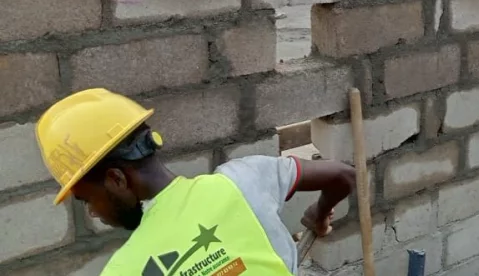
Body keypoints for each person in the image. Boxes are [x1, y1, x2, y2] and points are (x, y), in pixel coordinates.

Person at [34, 88, 357, 276]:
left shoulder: (124, 270)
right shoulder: (243, 180)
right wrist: (320, 212)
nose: (92, 212)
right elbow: (343, 175)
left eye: (87, 199)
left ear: (116, 178)